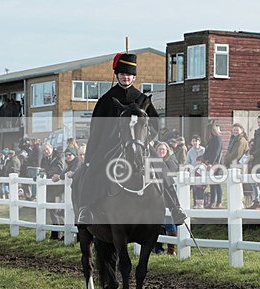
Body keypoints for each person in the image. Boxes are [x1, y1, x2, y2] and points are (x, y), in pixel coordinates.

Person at [76, 51, 186, 226]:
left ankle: (175, 208)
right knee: (92, 170)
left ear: (134, 77)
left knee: (160, 167)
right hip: (110, 145)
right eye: (122, 74)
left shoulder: (142, 99)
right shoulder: (106, 100)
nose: (125, 77)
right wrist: (91, 155)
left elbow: (155, 123)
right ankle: (86, 209)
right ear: (117, 75)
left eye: (129, 74)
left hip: (139, 144)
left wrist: (146, 138)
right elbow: (96, 129)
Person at [152, 142, 178, 255]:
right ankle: (158, 248)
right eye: (159, 149)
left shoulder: (170, 162)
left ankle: (171, 249)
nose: (161, 151)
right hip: (155, 195)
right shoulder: (152, 162)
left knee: (169, 222)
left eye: (163, 149)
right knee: (158, 223)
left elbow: (169, 178)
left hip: (168, 195)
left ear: (167, 151)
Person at [40, 143, 65, 240]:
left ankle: (65, 232)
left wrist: (47, 173)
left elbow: (60, 168)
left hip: (60, 188)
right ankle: (55, 233)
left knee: (60, 211)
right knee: (52, 210)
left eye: (47, 149)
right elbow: (42, 168)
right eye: (44, 150)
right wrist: (39, 174)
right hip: (50, 187)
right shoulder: (44, 159)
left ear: (51, 148)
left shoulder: (59, 156)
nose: (46, 151)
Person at [202, 121, 223, 208]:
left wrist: (211, 163)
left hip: (216, 164)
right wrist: (205, 160)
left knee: (217, 183)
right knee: (212, 184)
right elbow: (207, 152)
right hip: (210, 163)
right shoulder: (210, 140)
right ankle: (212, 202)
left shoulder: (217, 139)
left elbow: (216, 152)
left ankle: (219, 202)